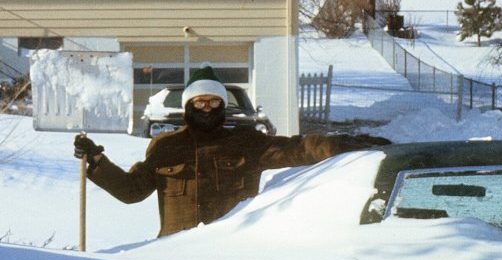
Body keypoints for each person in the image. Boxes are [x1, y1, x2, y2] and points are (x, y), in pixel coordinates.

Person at [74, 66, 390, 237]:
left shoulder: (246, 142)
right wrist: (97, 162)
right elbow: (132, 191)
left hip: (230, 254)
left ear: (223, 106)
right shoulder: (166, 147)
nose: (207, 107)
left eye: (214, 102)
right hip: (172, 256)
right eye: (200, 102)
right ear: (188, 106)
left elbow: (298, 149)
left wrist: (349, 143)